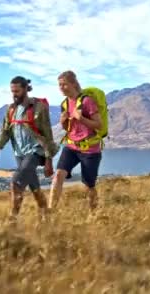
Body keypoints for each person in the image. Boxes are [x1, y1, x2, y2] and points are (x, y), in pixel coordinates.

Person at [0, 76, 59, 222]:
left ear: (26, 89)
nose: (14, 94)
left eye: (17, 91)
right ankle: (46, 216)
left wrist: (49, 160)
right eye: (12, 91)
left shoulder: (38, 107)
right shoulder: (11, 109)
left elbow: (47, 134)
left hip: (35, 151)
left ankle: (12, 219)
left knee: (16, 182)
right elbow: (6, 131)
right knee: (35, 188)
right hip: (19, 153)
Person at [49, 70, 103, 214]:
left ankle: (94, 214)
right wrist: (63, 122)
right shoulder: (65, 104)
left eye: (64, 84)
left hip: (89, 149)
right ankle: (50, 213)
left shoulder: (87, 101)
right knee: (58, 175)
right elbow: (68, 128)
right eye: (59, 85)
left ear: (73, 84)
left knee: (89, 185)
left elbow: (99, 124)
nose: (61, 88)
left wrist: (82, 118)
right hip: (71, 146)